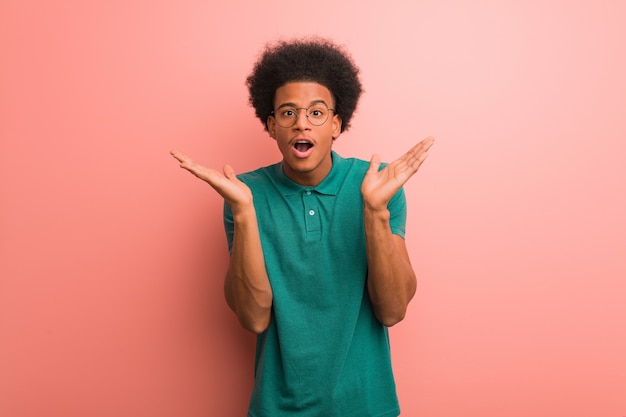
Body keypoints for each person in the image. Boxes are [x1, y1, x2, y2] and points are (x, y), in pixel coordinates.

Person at [171, 37, 434, 417]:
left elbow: (393, 310)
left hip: (367, 406)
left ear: (337, 124)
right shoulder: (244, 195)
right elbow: (252, 316)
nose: (301, 124)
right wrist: (244, 212)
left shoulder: (377, 187)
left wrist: (375, 212)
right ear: (272, 125)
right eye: (288, 113)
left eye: (316, 113)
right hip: (277, 408)